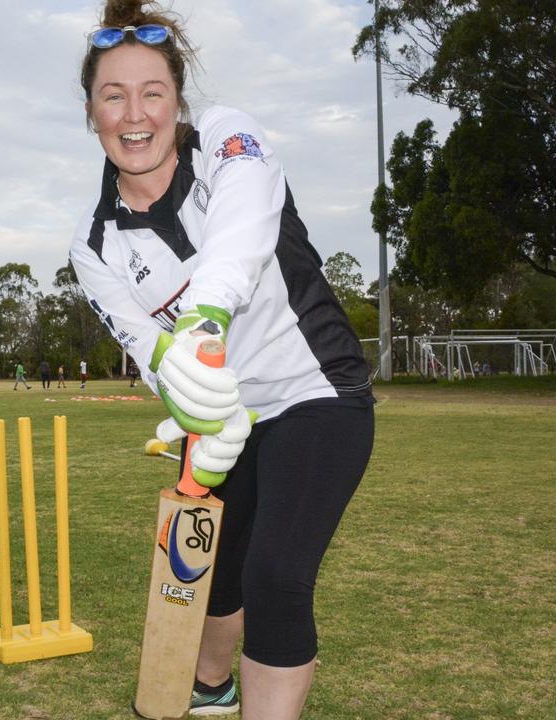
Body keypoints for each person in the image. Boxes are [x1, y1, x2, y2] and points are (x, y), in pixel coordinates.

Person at [69, 4, 375, 717]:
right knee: (208, 572)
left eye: (153, 92)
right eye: (114, 96)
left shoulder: (230, 138)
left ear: (179, 101)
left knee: (276, 577)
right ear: (91, 112)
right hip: (223, 416)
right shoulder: (94, 244)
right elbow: (150, 354)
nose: (134, 114)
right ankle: (210, 687)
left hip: (315, 390)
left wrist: (203, 322)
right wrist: (195, 412)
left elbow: (239, 236)